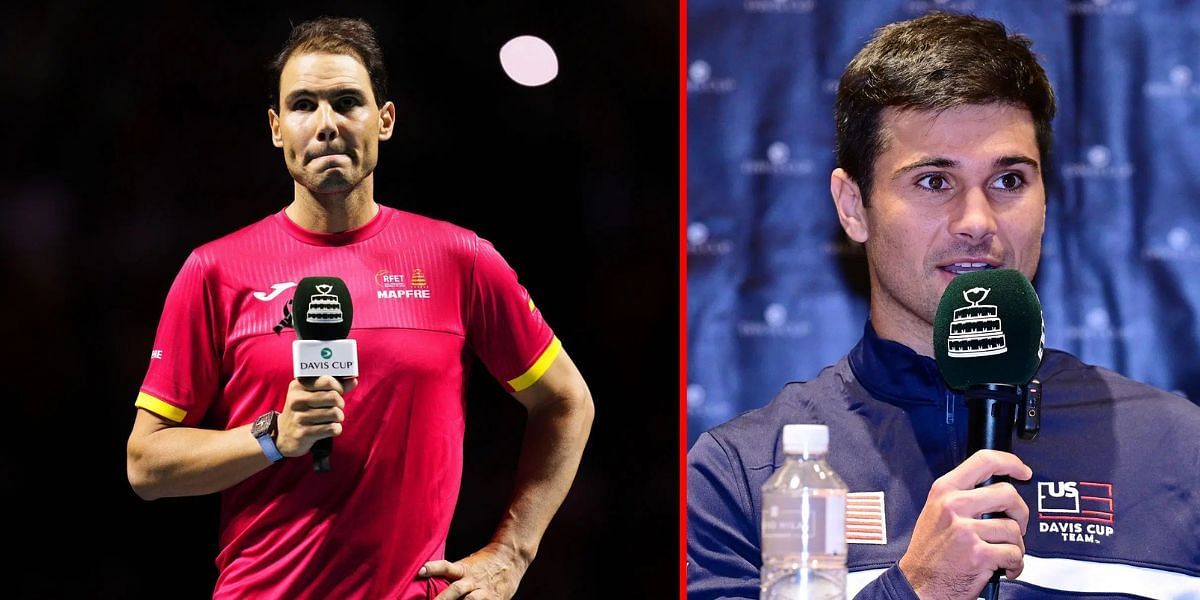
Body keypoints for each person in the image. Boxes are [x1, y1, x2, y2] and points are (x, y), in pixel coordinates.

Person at [687, 12, 1200, 599]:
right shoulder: (744, 472)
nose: (977, 222)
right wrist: (918, 587)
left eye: (1009, 181)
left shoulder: (1180, 450)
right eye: (934, 181)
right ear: (853, 206)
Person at [126, 17, 594, 600]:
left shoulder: (458, 259)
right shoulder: (214, 272)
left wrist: (512, 553)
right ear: (277, 129)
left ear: (385, 120)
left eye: (347, 102)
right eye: (302, 105)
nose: (326, 124)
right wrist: (274, 434)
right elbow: (146, 465)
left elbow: (567, 402)